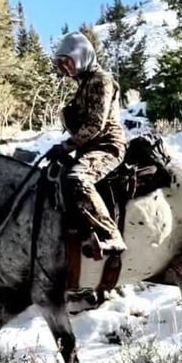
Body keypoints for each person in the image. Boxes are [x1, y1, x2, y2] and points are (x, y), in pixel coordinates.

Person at [48, 31, 127, 257]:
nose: (66, 67)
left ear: (81, 56)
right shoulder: (84, 84)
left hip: (107, 146)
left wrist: (66, 146)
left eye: (68, 60)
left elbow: (95, 125)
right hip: (88, 148)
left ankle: (111, 235)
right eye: (62, 63)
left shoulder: (101, 80)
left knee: (78, 179)